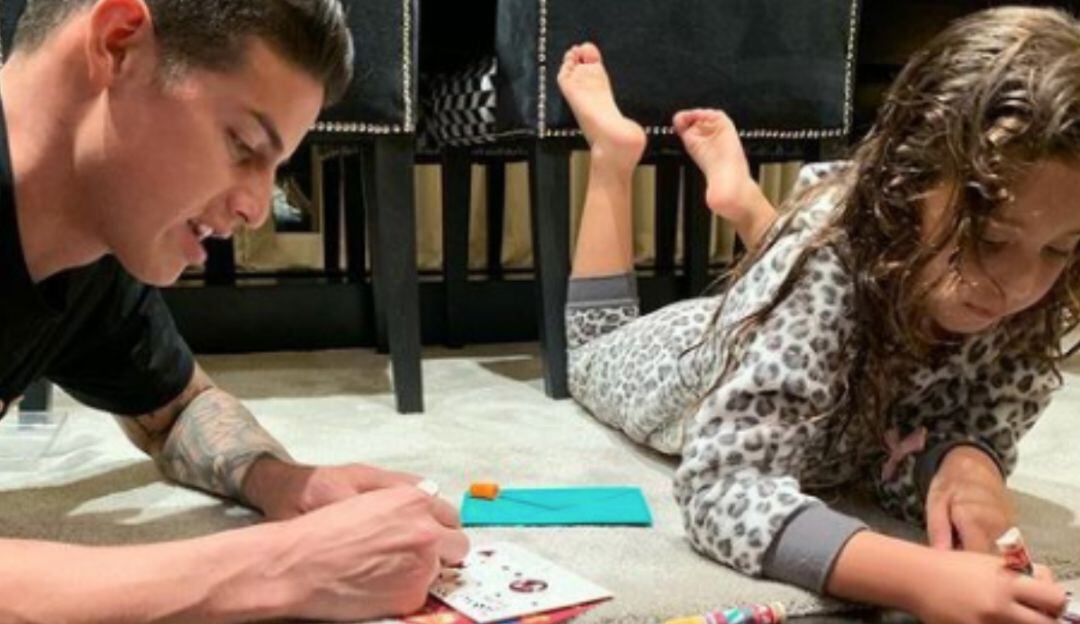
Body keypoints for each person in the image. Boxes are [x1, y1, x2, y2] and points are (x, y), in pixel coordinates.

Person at [558, 6, 1079, 623]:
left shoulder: (1027, 298)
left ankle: (750, 212)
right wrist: (917, 579)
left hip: (806, 323)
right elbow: (721, 488)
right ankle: (613, 155)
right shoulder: (832, 261)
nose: (1019, 284)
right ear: (906, 184)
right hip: (684, 354)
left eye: (1060, 249)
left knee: (817, 275)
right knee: (589, 352)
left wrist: (965, 465)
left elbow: (904, 439)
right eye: (988, 240)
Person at [0, 0, 468, 621]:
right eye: (242, 144)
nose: (255, 208)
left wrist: (285, 482)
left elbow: (176, 410)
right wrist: (284, 565)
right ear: (118, 45)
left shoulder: (87, 256)